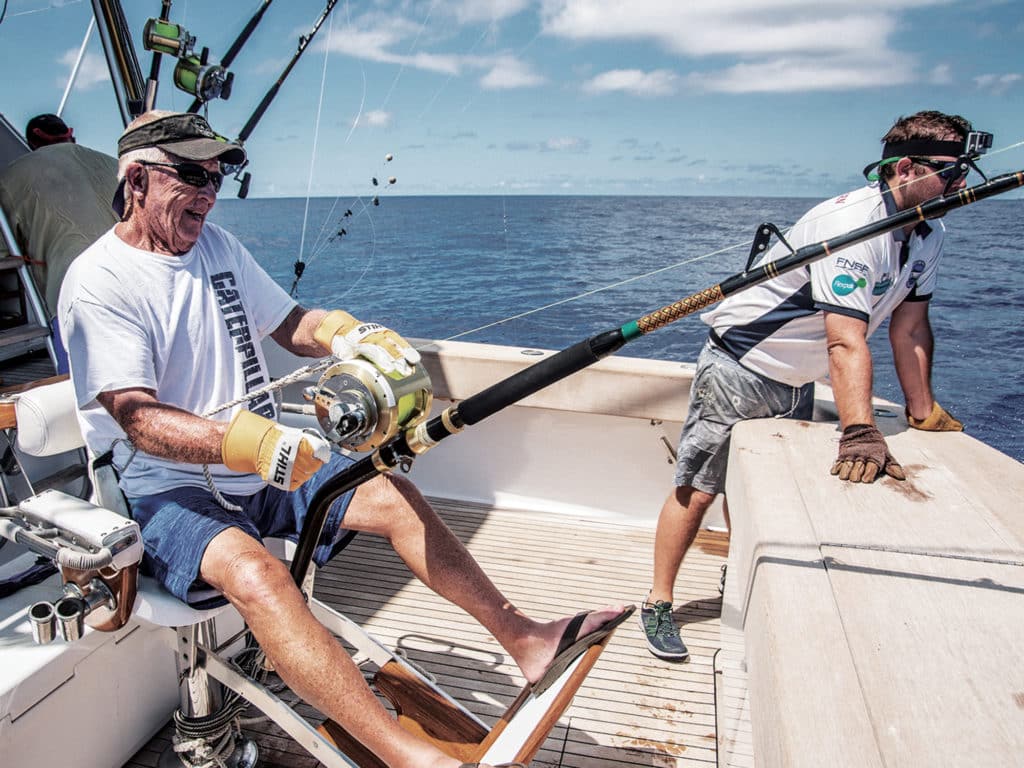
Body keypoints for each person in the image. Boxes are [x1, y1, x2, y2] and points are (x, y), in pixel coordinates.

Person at [57, 110, 630, 768]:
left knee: (389, 493)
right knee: (261, 575)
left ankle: (525, 636)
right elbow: (138, 419)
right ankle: (407, 756)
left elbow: (290, 323)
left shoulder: (217, 248)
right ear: (136, 180)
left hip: (256, 461)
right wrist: (251, 446)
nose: (210, 191)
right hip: (165, 487)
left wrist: (348, 334)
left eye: (220, 175)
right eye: (191, 174)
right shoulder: (100, 282)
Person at [639, 110, 972, 662]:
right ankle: (658, 600)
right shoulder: (855, 225)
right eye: (950, 171)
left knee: (752, 492)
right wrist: (860, 431)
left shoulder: (929, 230)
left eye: (964, 171)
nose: (960, 184)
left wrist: (923, 409)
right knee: (699, 488)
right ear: (906, 168)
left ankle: (740, 577)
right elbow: (846, 340)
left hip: (799, 378)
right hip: (741, 368)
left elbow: (910, 325)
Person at [0, 114, 118, 371]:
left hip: (73, 293)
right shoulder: (115, 164)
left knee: (80, 389)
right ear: (69, 132)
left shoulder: (12, 176)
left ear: (32, 140)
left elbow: (3, 252)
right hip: (134, 282)